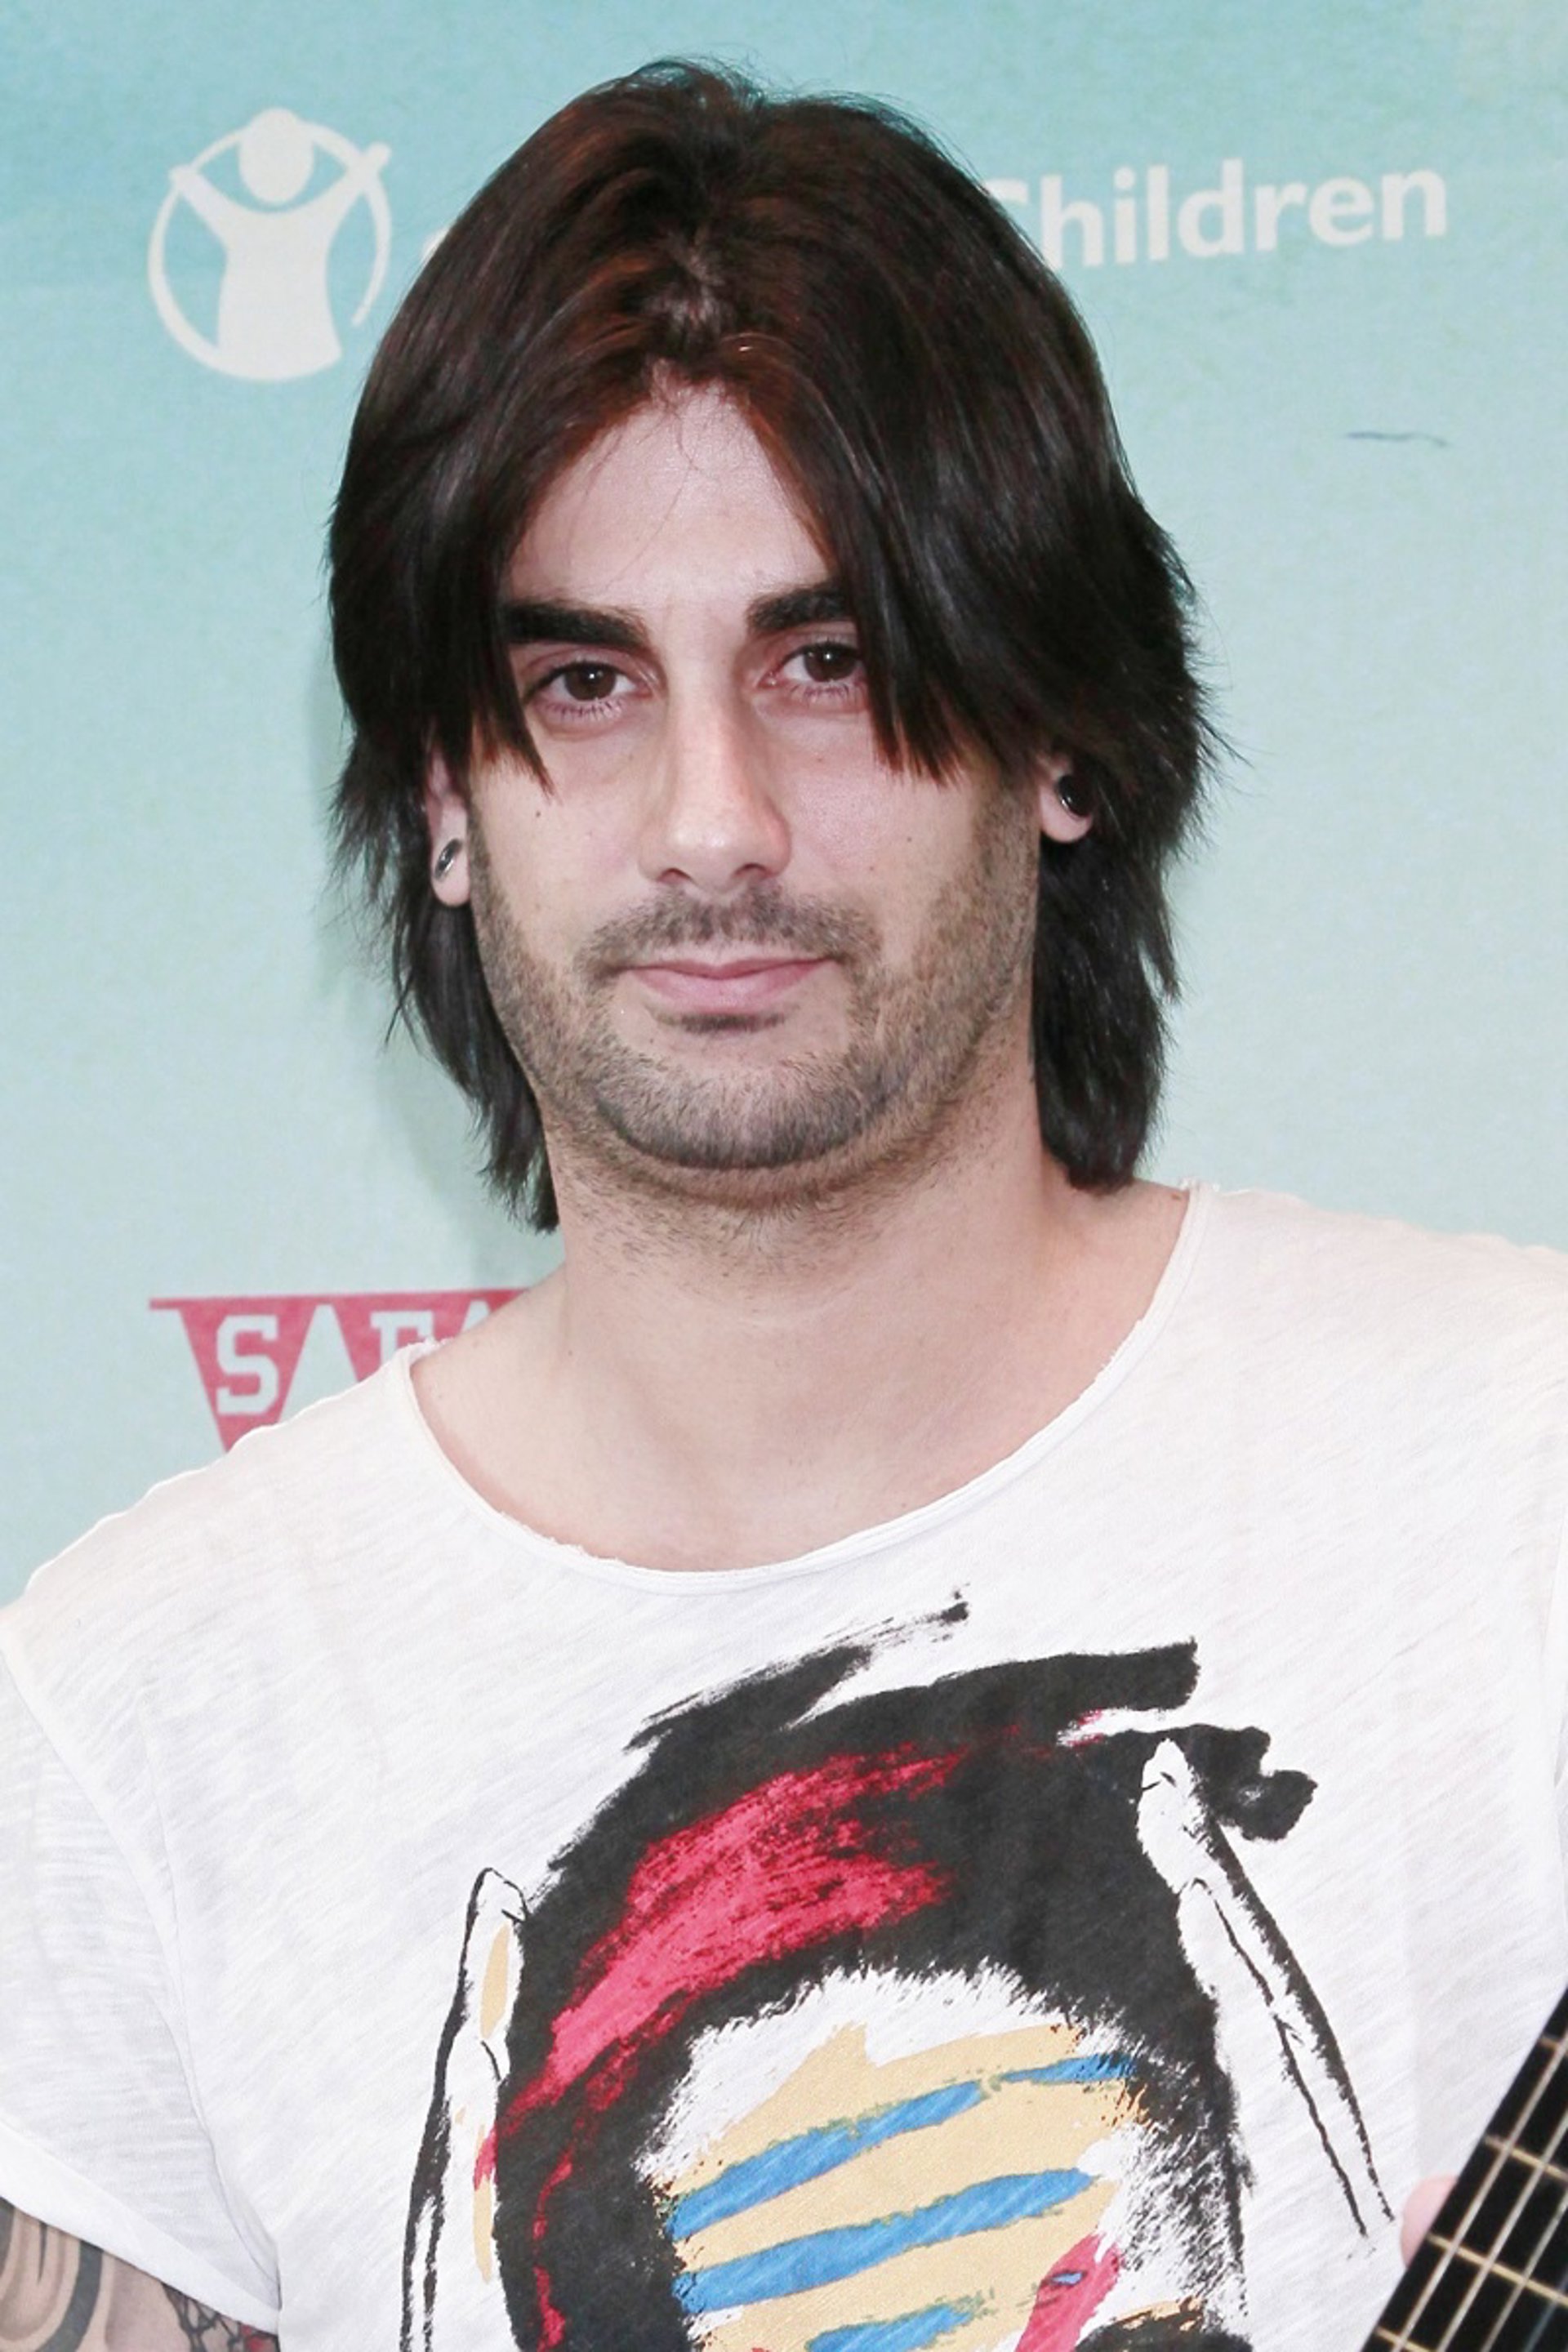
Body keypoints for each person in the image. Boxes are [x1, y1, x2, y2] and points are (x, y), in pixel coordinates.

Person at [2, 59, 1564, 2352]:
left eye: (829, 664)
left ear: (1061, 738)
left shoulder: (1526, 1488)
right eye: (583, 682)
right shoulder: (140, 1722)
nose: (713, 821)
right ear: (441, 798)